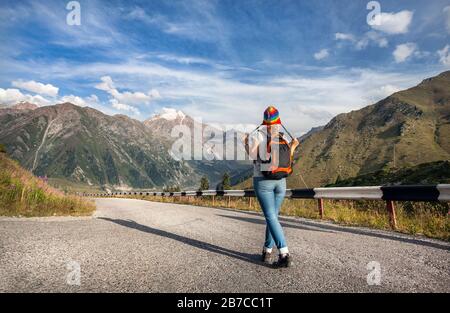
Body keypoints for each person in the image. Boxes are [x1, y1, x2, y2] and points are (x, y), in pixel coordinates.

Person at [244, 106, 299, 268]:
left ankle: (284, 253)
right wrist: (293, 146)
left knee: (270, 216)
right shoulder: (283, 138)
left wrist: (246, 143)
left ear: (264, 122)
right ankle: (267, 251)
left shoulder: (259, 137)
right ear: (278, 122)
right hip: (281, 182)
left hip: (263, 183)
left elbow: (253, 156)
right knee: (272, 216)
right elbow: (287, 158)